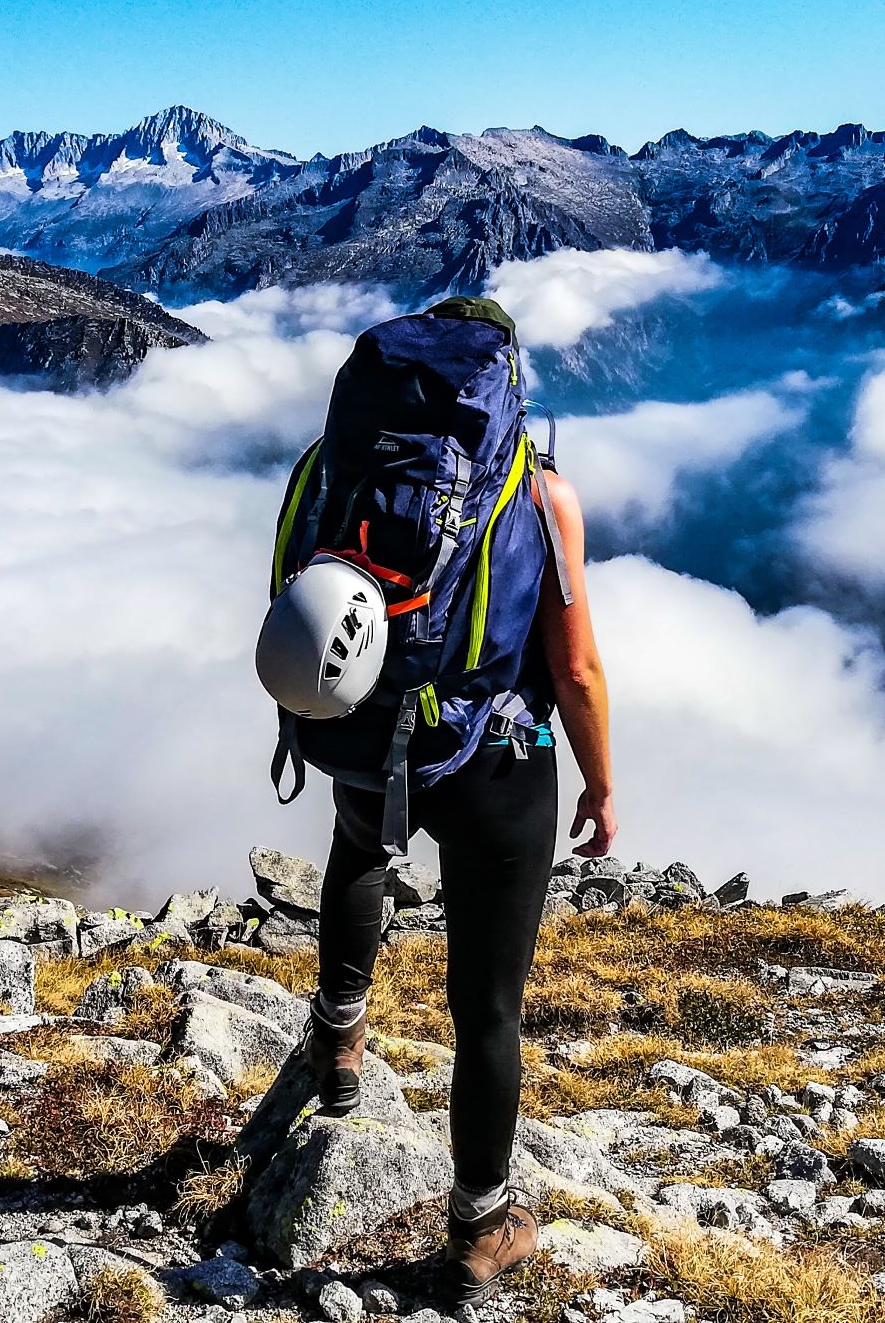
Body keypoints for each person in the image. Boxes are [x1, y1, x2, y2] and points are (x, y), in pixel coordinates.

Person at [300, 459, 616, 1303]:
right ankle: (480, 1227)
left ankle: (338, 1037)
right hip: (497, 763)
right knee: (487, 1006)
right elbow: (575, 667)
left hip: (369, 734)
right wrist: (601, 781)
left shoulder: (346, 463)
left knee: (357, 852)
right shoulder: (544, 496)